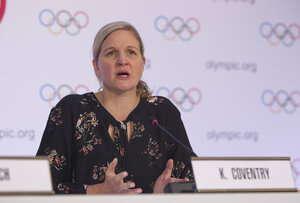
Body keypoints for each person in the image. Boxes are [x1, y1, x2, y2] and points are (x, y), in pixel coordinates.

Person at [36, 21, 194, 194]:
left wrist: (164, 195)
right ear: (96, 66)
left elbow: (194, 183)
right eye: (111, 53)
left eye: (131, 52)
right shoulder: (71, 111)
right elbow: (39, 186)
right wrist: (97, 191)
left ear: (142, 64)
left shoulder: (162, 112)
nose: (122, 60)